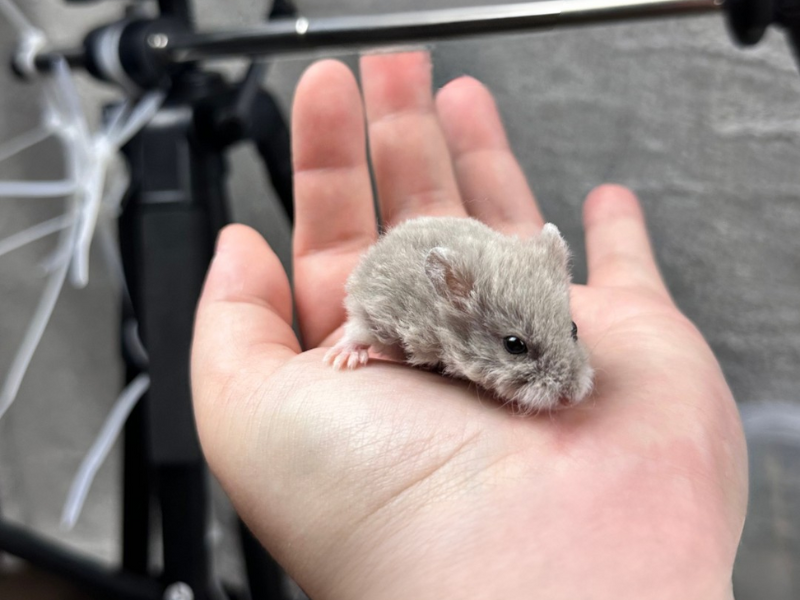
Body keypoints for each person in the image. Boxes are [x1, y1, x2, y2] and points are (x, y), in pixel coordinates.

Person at [190, 52, 747, 599]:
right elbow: (368, 293)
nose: (567, 379)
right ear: (456, 304)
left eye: (570, 335)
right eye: (514, 347)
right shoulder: (422, 300)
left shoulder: (540, 275)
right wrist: (359, 337)